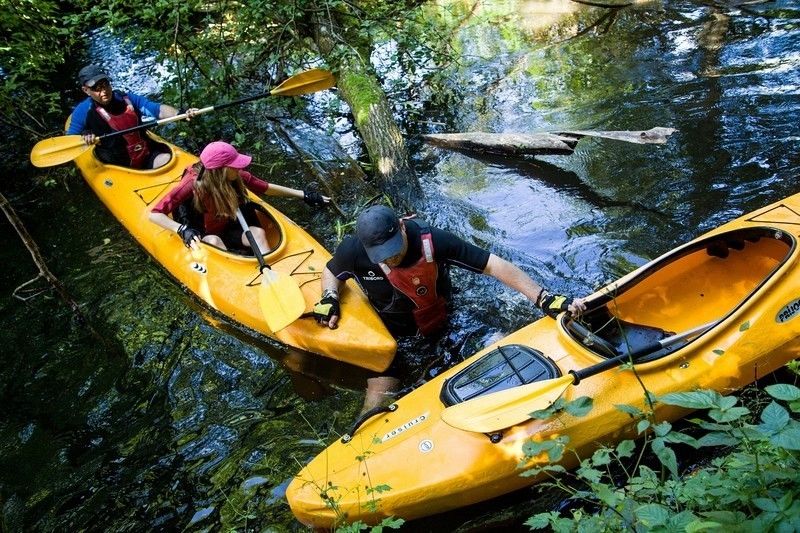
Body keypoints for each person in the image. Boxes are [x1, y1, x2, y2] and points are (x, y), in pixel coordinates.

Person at [312, 205, 586, 412]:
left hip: (445, 323)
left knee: (500, 345)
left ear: (402, 227)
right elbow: (331, 270)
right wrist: (329, 296)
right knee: (377, 398)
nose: (391, 259)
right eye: (382, 255)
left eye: (394, 250)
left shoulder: (434, 241)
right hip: (395, 337)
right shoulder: (354, 250)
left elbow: (492, 264)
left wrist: (542, 298)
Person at [149, 141, 329, 251]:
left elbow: (266, 188)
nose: (240, 167)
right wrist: (182, 230)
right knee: (214, 240)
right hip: (204, 233)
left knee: (258, 233)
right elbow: (154, 214)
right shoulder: (191, 185)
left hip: (228, 229)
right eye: (235, 165)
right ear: (222, 170)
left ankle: (272, 273)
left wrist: (305, 195)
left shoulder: (236, 176)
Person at [67, 64, 196, 169]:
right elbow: (70, 141)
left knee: (167, 159)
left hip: (145, 155)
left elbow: (157, 110)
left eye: (105, 84)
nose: (104, 91)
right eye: (97, 88)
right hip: (116, 167)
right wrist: (84, 135)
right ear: (86, 90)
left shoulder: (127, 99)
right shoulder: (83, 111)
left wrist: (179, 114)